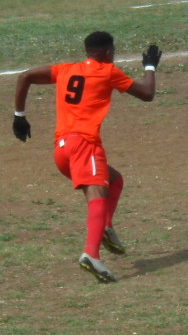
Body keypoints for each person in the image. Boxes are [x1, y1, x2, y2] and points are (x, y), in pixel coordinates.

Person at [13, 31, 161, 283]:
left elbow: (25, 76)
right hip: (84, 145)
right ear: (107, 52)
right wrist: (150, 67)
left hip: (62, 149)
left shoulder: (65, 70)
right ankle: (91, 254)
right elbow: (147, 93)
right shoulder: (107, 71)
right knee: (96, 195)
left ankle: (105, 226)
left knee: (114, 181)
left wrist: (19, 115)